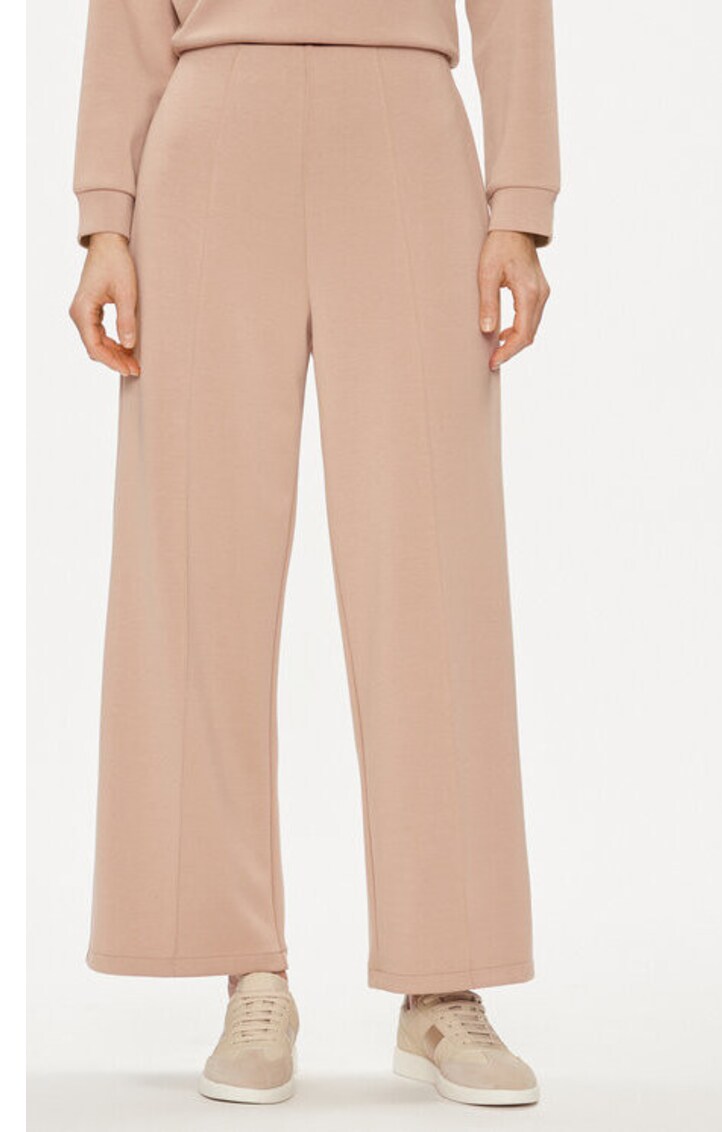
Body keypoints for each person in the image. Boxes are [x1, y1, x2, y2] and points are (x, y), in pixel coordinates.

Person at [69, 0, 560, 1108]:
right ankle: (249, 970)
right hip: (207, 129)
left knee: (434, 572)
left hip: (407, 125)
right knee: (193, 565)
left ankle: (444, 983)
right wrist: (105, 217)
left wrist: (521, 206)